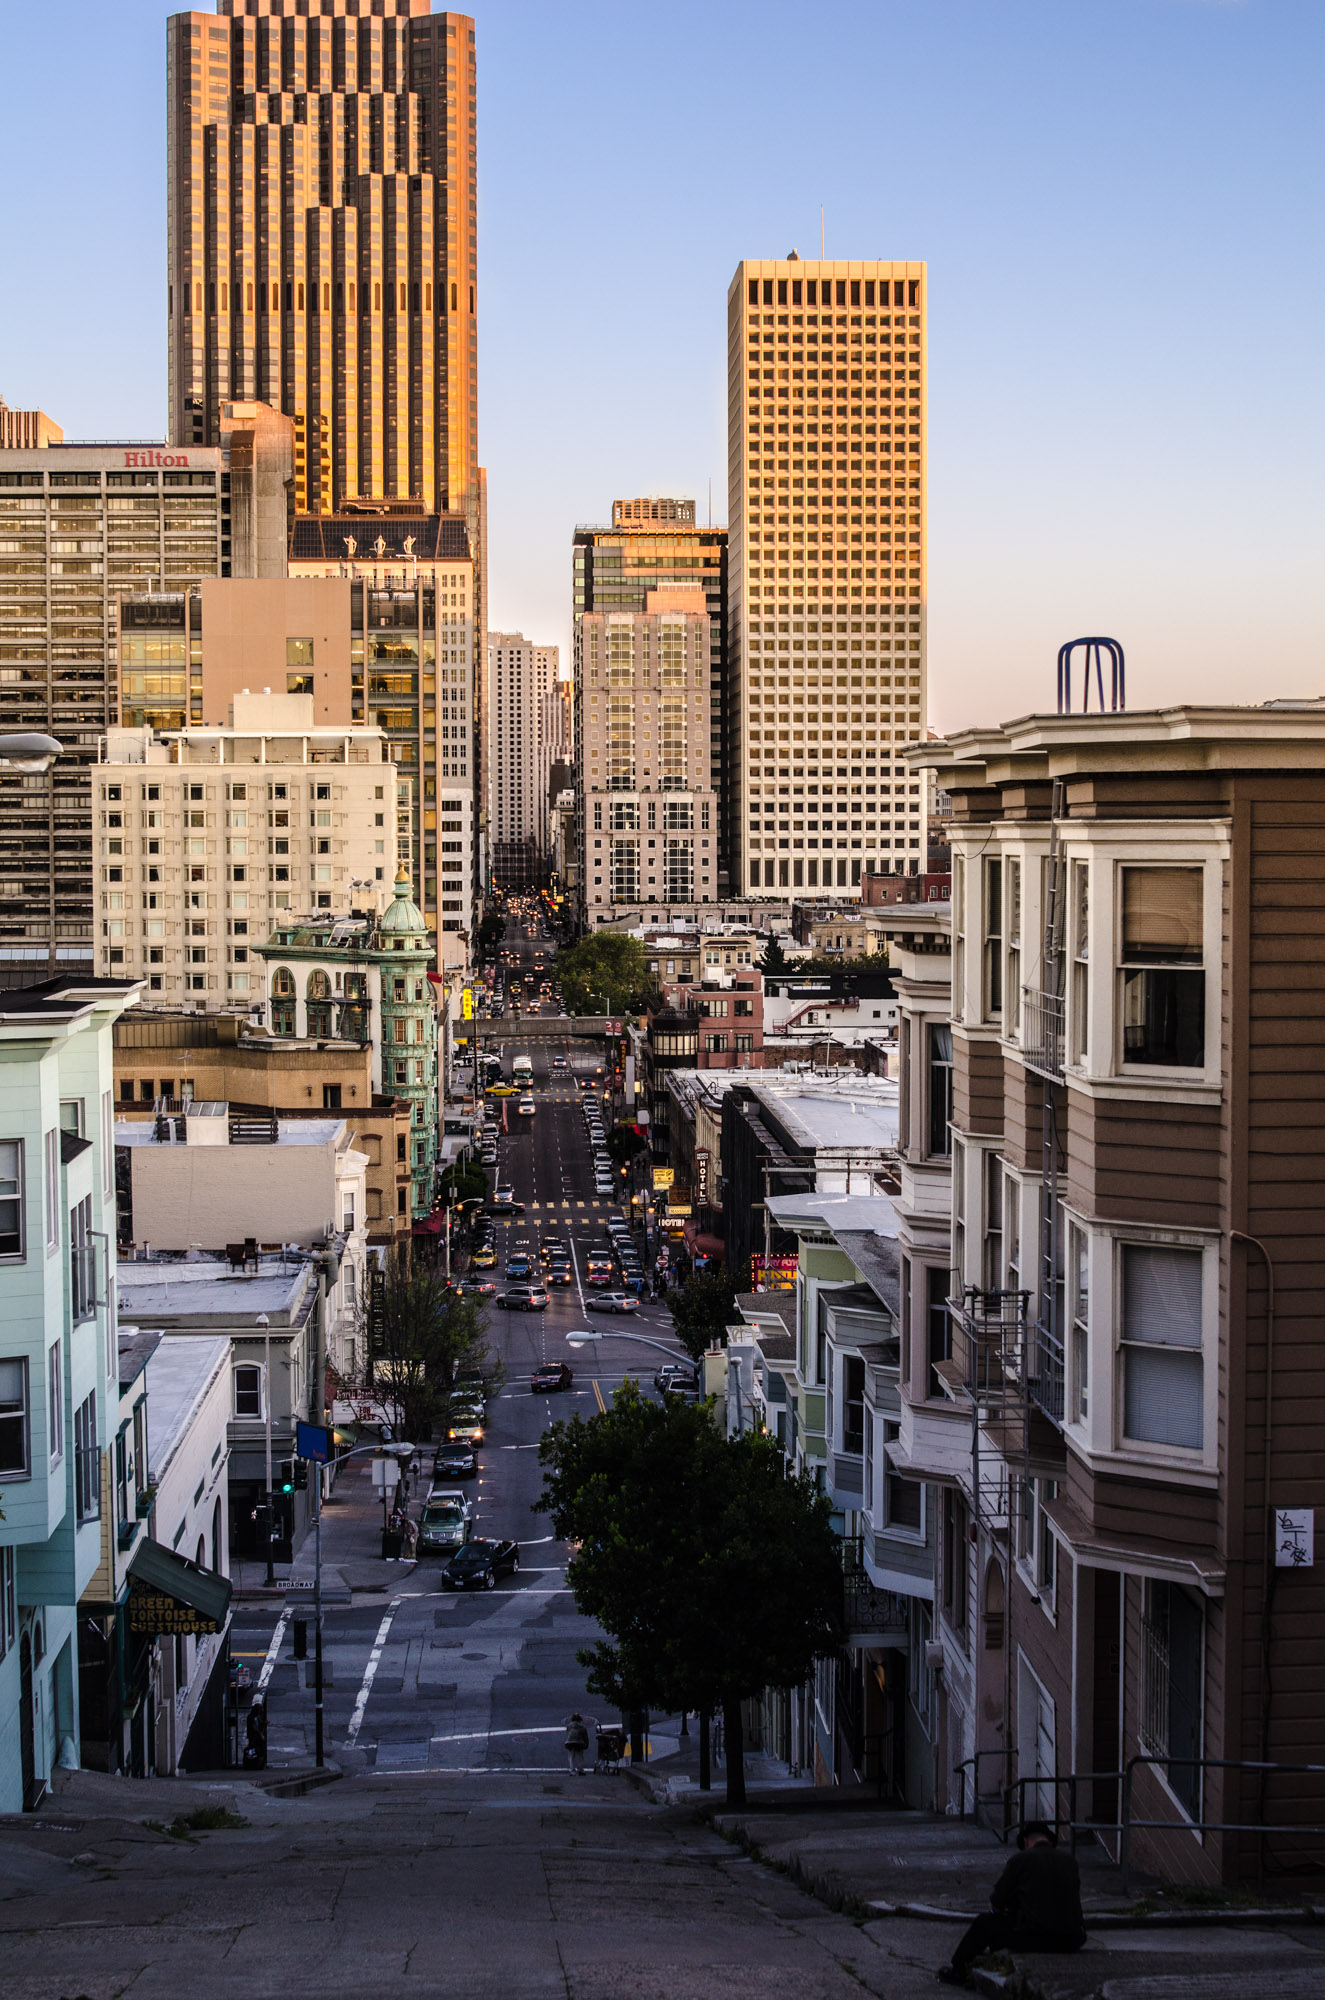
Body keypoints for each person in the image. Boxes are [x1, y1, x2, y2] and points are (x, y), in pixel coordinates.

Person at [937, 1822, 1086, 1986]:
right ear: (1050, 1841)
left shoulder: (1021, 1859)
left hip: (1036, 1936)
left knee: (984, 1923)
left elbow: (998, 1899)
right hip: (1071, 1938)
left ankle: (959, 1970)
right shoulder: (1070, 1861)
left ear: (1026, 1841)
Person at [564, 1710, 590, 1776]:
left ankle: (572, 1771)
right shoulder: (583, 1727)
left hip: (570, 1742)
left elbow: (568, 1733)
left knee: (571, 1757)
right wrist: (586, 1744)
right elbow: (585, 1737)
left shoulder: (569, 1726)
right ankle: (581, 1770)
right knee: (579, 1756)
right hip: (579, 1743)